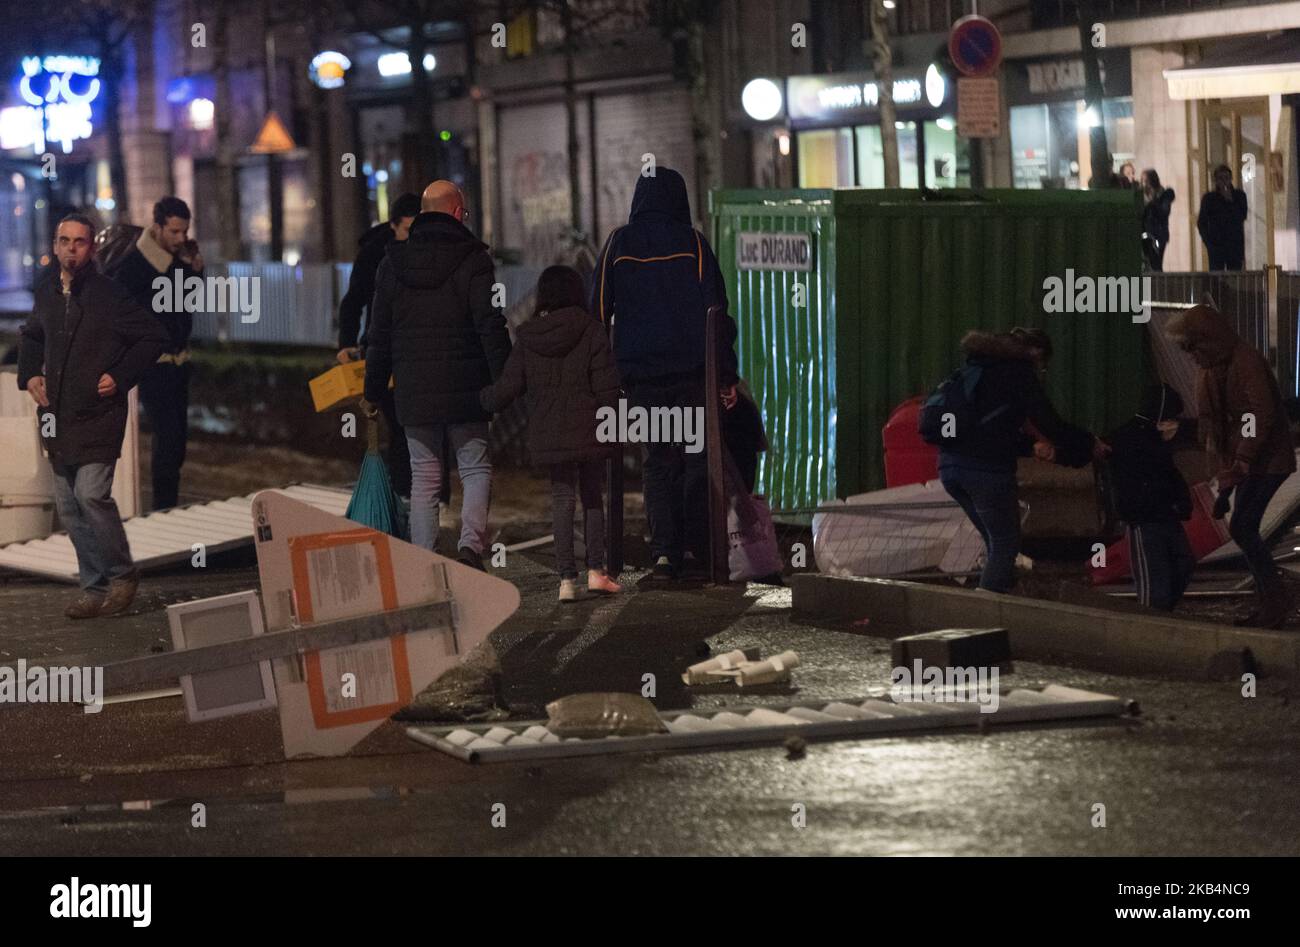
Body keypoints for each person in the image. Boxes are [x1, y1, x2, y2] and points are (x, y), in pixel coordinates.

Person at [590, 166, 739, 581]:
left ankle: (664, 556)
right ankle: (696, 549)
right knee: (695, 459)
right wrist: (726, 375)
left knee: (657, 462)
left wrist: (603, 376)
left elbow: (598, 311)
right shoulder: (693, 244)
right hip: (691, 376)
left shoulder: (619, 243)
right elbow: (717, 316)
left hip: (641, 379)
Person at [17, 214, 168, 618]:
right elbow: (31, 335)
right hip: (58, 416)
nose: (71, 248)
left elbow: (153, 336)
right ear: (54, 245)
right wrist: (30, 373)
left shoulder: (109, 294)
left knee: (90, 494)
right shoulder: (47, 292)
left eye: (79, 241)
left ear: (91, 248)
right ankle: (94, 586)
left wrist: (119, 377)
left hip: (98, 414)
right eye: (64, 240)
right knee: (67, 507)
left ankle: (121, 575)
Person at [363, 180, 511, 570]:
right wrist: (507, 381)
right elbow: (490, 324)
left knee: (424, 477)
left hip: (415, 391)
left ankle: (425, 561)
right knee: (475, 468)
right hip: (468, 388)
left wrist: (372, 390)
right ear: (459, 214)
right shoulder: (475, 260)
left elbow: (378, 335)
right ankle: (470, 549)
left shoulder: (392, 263)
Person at [480, 265, 623, 601]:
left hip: (550, 433)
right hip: (590, 429)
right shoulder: (592, 330)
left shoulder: (529, 337)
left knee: (562, 499)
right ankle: (596, 572)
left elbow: (508, 388)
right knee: (591, 498)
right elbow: (607, 389)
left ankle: (566, 581)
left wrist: (476, 400)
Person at [934, 327, 1103, 593]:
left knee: (994, 542)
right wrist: (1088, 443)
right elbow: (1050, 424)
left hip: (950, 468)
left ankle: (1004, 601)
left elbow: (987, 428)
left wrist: (1029, 446)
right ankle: (982, 615)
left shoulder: (973, 369)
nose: (1041, 371)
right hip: (986, 471)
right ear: (1035, 353)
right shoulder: (1018, 372)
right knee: (1005, 545)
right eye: (1043, 365)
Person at [1167, 304, 1296, 628]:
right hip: (1248, 461)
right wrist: (1227, 471)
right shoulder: (1213, 368)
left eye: (1192, 347)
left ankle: (1275, 599)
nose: (1190, 356)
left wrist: (1242, 460)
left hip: (1268, 461)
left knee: (1243, 527)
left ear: (1208, 341)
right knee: (1242, 527)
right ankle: (1272, 598)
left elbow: (1259, 414)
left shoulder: (1246, 361)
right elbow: (1216, 425)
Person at [108, 196, 202, 510]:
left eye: (184, 231)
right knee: (167, 436)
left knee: (177, 441)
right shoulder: (135, 264)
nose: (180, 238)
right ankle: (164, 507)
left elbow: (188, 305)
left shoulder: (181, 258)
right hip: (152, 363)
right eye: (174, 231)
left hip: (179, 361)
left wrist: (194, 272)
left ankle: (168, 504)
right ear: (158, 226)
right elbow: (121, 310)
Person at [337, 192, 422, 498]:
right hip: (384, 352)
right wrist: (346, 343)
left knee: (419, 427)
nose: (413, 239)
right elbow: (353, 302)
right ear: (393, 225)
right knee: (401, 427)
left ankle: (425, 497)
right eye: (408, 231)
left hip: (417, 352)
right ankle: (405, 495)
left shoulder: (425, 251)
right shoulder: (374, 254)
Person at [1105, 384, 1194, 611]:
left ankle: (1163, 615)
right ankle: (1153, 622)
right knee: (1155, 582)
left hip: (1165, 514)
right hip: (1145, 519)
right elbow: (1138, 478)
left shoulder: (1152, 438)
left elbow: (1168, 473)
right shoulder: (1130, 439)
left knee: (1182, 563)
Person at [1197, 165, 1248, 271]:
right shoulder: (1209, 199)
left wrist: (1230, 200)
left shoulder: (1239, 196)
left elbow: (1242, 215)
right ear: (1215, 180)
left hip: (1234, 245)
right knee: (1217, 278)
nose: (1224, 181)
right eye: (1221, 178)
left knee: (1234, 276)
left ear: (1231, 179)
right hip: (1216, 245)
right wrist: (1208, 243)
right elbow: (1201, 222)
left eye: (1227, 178)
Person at [1140, 169, 1175, 272]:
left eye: (1146, 181)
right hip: (1144, 234)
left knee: (1156, 263)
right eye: (1142, 180)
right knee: (1146, 263)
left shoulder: (1162, 195)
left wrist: (1152, 202)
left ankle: (1157, 285)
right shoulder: (1142, 195)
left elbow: (1164, 212)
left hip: (1158, 235)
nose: (1144, 184)